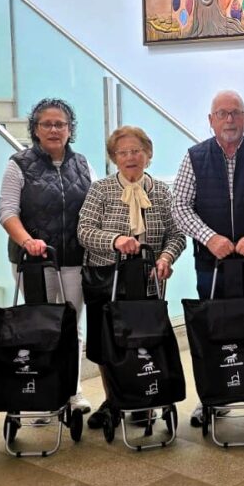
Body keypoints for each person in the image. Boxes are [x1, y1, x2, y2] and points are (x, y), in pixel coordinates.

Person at [171, 90, 244, 426]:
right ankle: (212, 395)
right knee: (213, 329)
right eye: (222, 113)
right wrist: (209, 238)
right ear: (211, 120)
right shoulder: (194, 157)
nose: (229, 119)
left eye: (236, 113)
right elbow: (179, 206)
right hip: (211, 263)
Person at [78, 125, 186, 428]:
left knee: (143, 339)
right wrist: (115, 240)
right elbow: (84, 231)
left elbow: (177, 235)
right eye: (122, 152)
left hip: (147, 277)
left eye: (136, 151)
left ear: (148, 154)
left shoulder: (161, 191)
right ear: (114, 157)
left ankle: (142, 396)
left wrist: (165, 258)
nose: (130, 157)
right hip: (106, 276)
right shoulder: (100, 189)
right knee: (107, 343)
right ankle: (113, 400)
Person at [0, 98, 93, 414]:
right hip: (34, 262)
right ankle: (42, 396)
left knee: (71, 326)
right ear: (35, 129)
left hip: (75, 260)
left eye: (60, 124)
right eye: (47, 124)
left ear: (70, 129)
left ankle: (73, 391)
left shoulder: (83, 164)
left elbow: (94, 209)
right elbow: (7, 212)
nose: (54, 130)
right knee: (40, 327)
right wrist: (28, 241)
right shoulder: (18, 164)